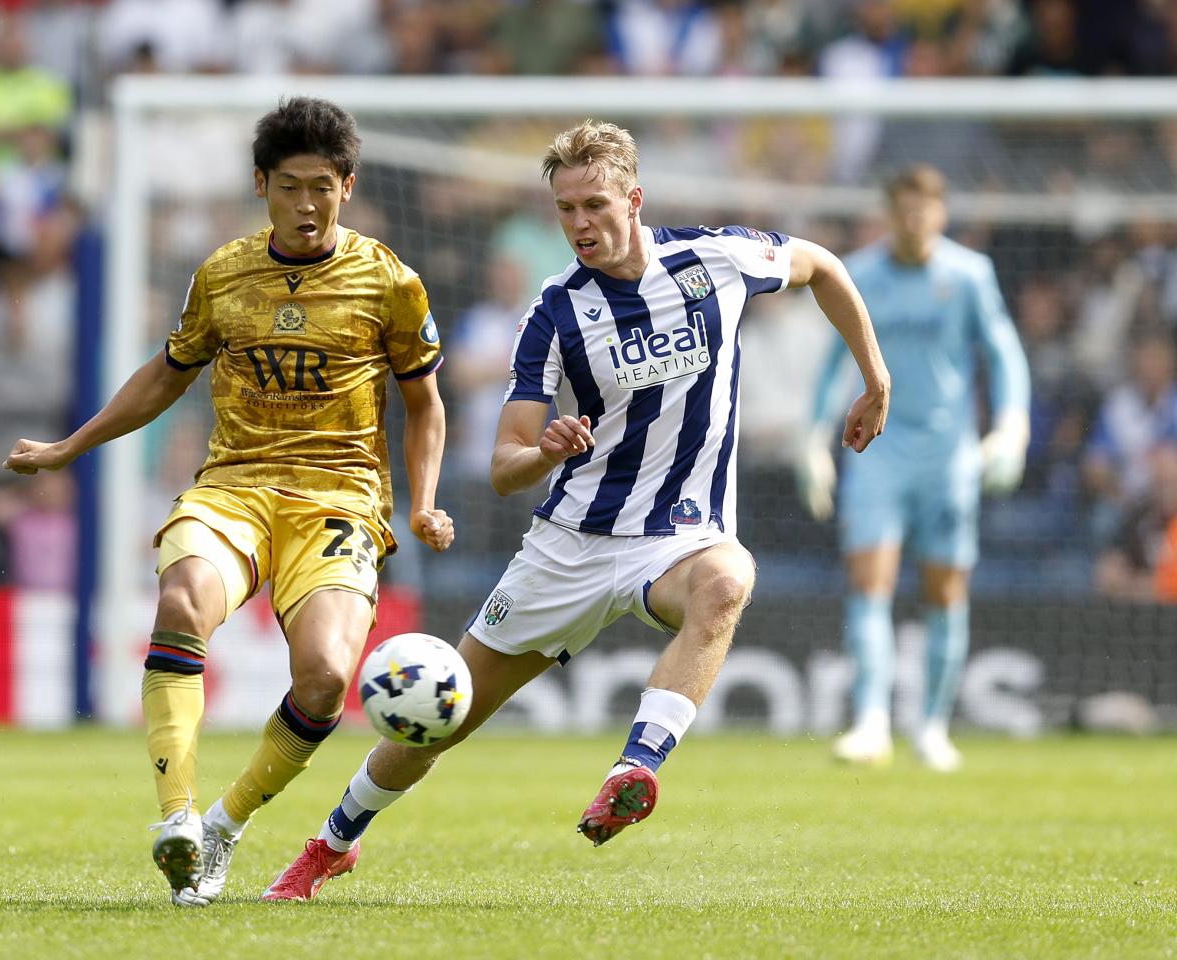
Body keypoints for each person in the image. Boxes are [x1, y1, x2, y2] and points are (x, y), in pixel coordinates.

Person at [259, 119, 890, 902]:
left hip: (680, 536)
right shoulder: (554, 313)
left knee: (727, 583)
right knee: (442, 718)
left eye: (594, 204)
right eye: (565, 210)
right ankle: (331, 844)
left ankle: (637, 768)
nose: (580, 224)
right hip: (571, 545)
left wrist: (874, 374)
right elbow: (502, 466)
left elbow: (822, 265)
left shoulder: (715, 260)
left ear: (635, 198)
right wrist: (548, 452)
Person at [1, 97, 454, 905]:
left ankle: (223, 825)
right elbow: (165, 376)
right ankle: (174, 820)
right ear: (260, 184)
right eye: (289, 186)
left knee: (321, 678)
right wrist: (73, 445)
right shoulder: (222, 274)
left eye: (322, 186)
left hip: (339, 498)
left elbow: (424, 402)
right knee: (181, 603)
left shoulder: (391, 281)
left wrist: (423, 502)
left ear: (347, 186)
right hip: (234, 486)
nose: (306, 204)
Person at [796, 164, 1030, 772]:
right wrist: (812, 440)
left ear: (940, 213)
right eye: (903, 208)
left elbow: (1003, 352)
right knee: (869, 580)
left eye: (924, 208)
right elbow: (831, 365)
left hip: (948, 458)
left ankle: (932, 726)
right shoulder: (862, 274)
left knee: (944, 590)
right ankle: (871, 721)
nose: (913, 219)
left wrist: (1012, 425)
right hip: (877, 453)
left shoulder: (969, 275)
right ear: (889, 211)